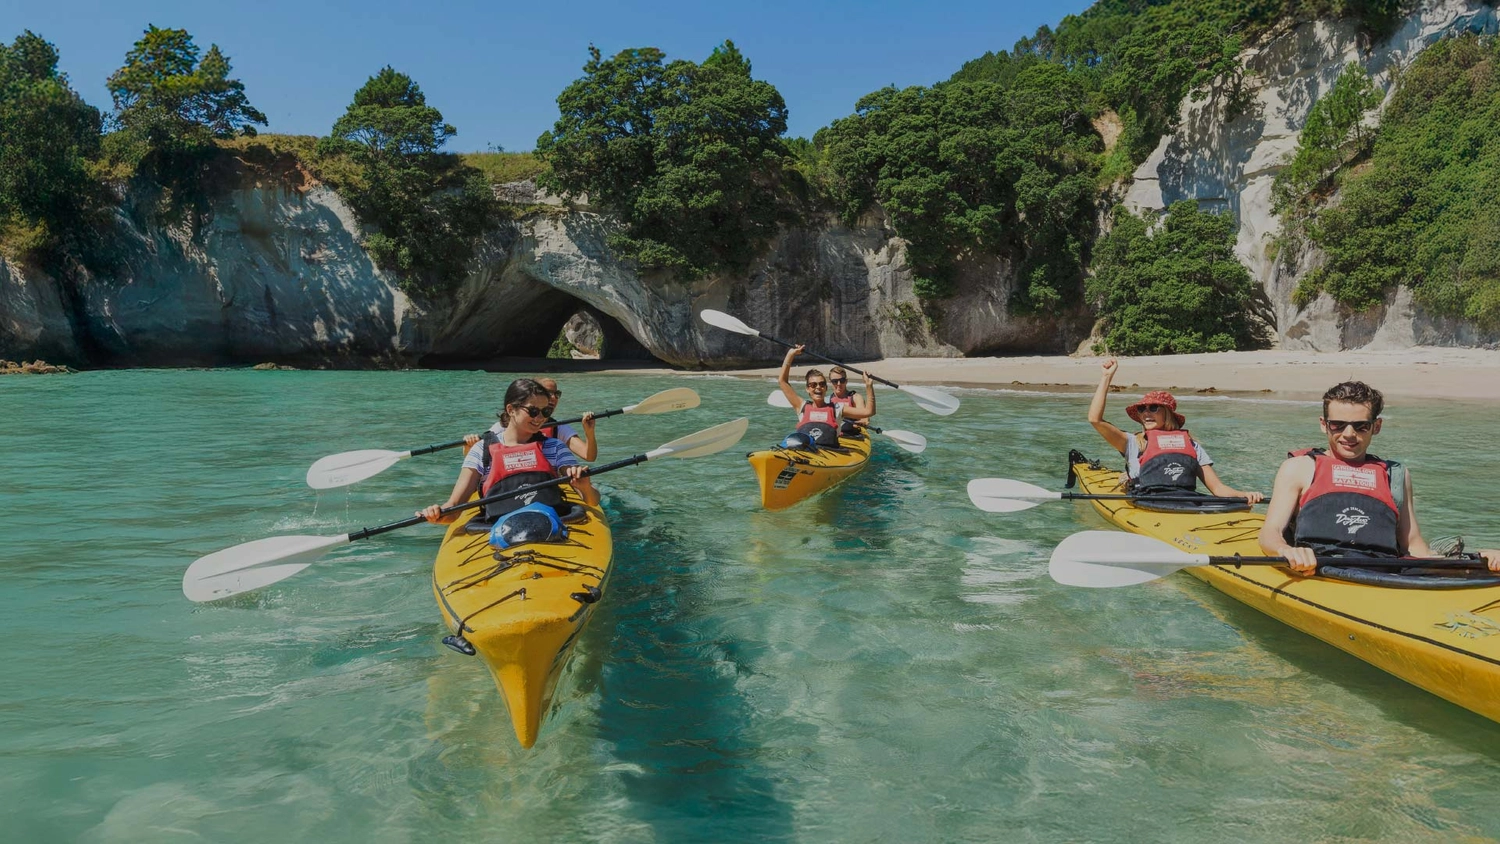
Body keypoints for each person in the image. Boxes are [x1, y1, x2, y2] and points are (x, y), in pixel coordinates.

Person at [1258, 381, 1499, 574]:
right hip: (1318, 570)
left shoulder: (1396, 474)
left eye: (1361, 426)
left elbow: (1413, 545)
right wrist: (1286, 551)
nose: (1349, 434)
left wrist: (1477, 560)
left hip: (1384, 572)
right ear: (1324, 425)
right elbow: (1270, 533)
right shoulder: (1299, 467)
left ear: (1377, 426)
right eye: (1338, 425)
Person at [420, 378, 599, 525]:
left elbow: (591, 500)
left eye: (545, 412)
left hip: (549, 524)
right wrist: (437, 514)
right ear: (511, 410)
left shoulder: (555, 447)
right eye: (533, 411)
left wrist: (584, 487)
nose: (540, 418)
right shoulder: (481, 451)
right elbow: (454, 508)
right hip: (499, 529)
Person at [1088, 357, 1263, 502]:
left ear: (1168, 414)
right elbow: (1095, 420)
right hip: (1145, 503)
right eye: (1142, 409)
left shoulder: (1191, 446)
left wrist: (1244, 494)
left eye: (1154, 408)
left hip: (1184, 502)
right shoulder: (1132, 443)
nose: (1146, 413)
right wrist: (1106, 377)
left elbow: (1217, 488)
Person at [461, 377, 596, 462]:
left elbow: (589, 456)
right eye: (548, 393)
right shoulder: (501, 429)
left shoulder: (558, 428)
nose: (553, 398)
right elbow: (479, 458)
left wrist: (589, 433)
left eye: (557, 394)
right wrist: (469, 448)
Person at [776, 346, 875, 448]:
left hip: (831, 452)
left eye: (822, 384)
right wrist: (790, 354)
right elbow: (782, 381)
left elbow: (869, 412)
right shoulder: (802, 406)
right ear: (807, 389)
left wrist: (869, 386)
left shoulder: (837, 408)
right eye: (813, 385)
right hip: (807, 451)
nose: (818, 387)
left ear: (826, 388)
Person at [827, 365, 875, 436]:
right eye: (835, 381)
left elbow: (865, 418)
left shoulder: (856, 398)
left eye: (842, 380)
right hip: (833, 436)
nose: (839, 384)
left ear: (846, 381)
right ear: (830, 382)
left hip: (852, 435)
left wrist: (868, 385)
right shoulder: (827, 400)